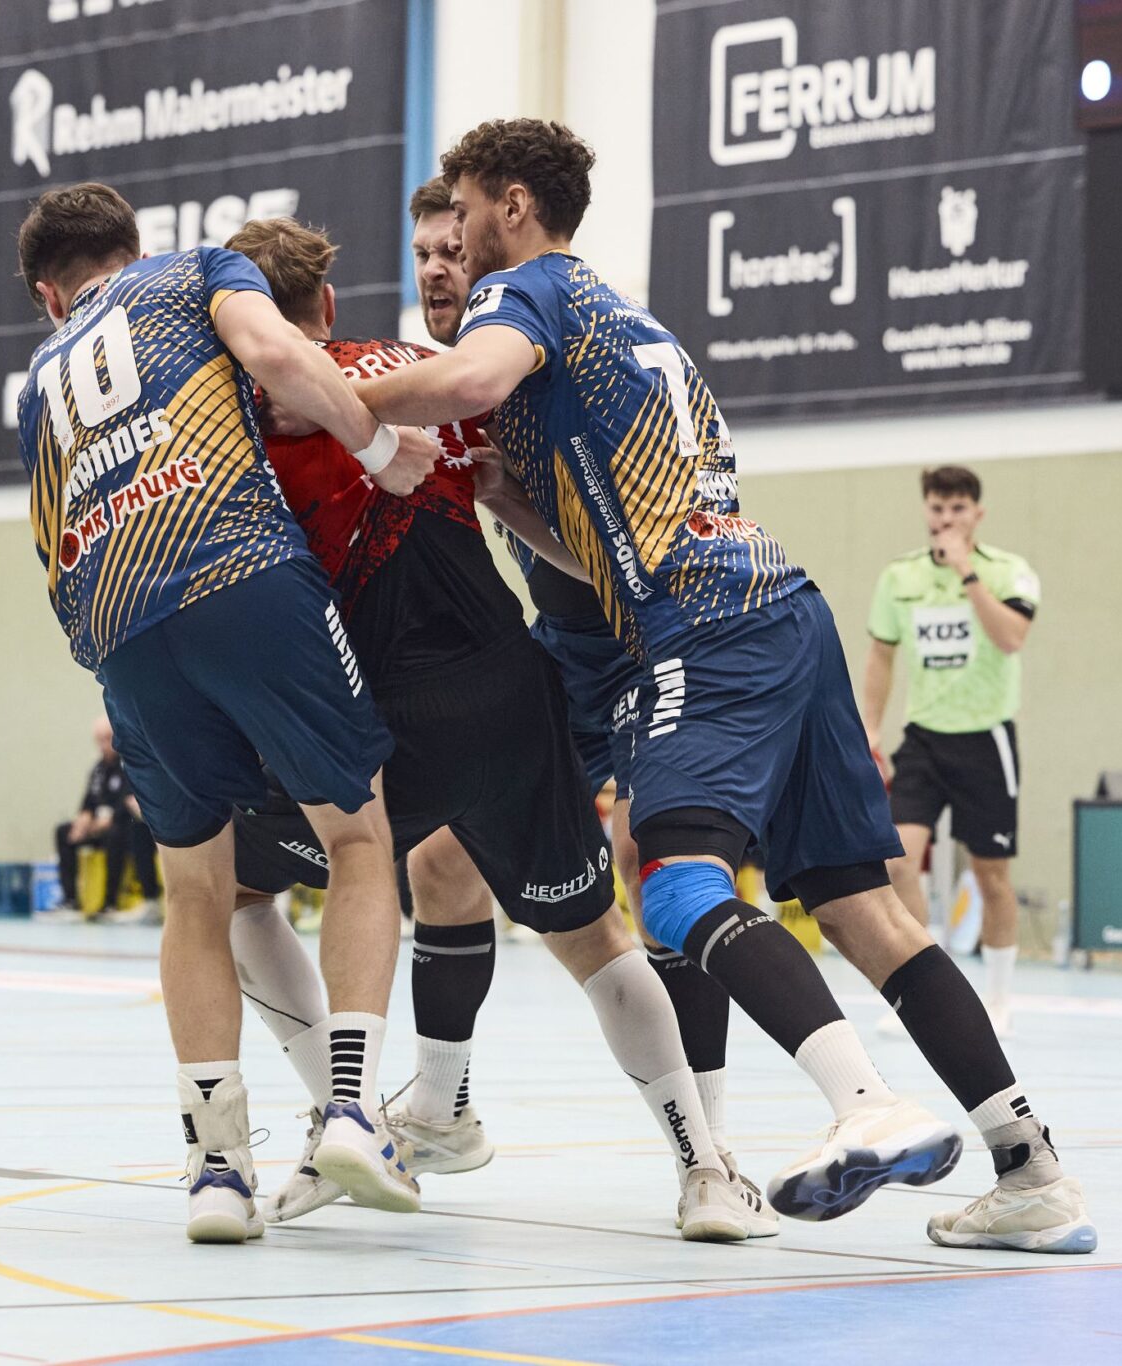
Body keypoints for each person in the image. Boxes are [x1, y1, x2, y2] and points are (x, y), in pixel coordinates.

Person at [350, 119, 1094, 1252]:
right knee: (863, 909)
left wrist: (325, 392)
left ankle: (854, 1105)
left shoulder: (527, 296)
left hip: (695, 628)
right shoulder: (624, 320)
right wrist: (508, 499)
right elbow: (602, 536)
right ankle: (1030, 1168)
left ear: (508, 207)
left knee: (673, 885)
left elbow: (467, 377)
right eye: (429, 245)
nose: (449, 254)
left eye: (462, 224)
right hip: (775, 605)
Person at [219, 214, 771, 1240]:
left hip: (388, 717)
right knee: (590, 935)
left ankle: (347, 1118)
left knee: (235, 893)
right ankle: (707, 1170)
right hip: (515, 695)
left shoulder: (249, 418)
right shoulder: (430, 376)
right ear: (327, 303)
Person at [12, 181, 440, 1243]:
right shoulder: (197, 269)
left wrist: (110, 649)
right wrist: (378, 451)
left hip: (117, 622)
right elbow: (280, 356)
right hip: (237, 567)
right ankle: (351, 1111)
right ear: (131, 246)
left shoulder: (38, 377)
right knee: (356, 837)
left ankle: (215, 1171)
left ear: (47, 294)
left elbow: (48, 537)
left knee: (194, 891)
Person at [413, 174, 741, 1161]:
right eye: (422, 254)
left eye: (453, 248)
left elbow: (635, 527)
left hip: (652, 639)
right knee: (439, 860)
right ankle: (441, 1114)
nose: (437, 268)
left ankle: (710, 1151)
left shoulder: (543, 349)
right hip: (563, 655)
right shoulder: (450, 383)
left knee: (657, 863)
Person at [861, 465, 1039, 1036]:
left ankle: (999, 998)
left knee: (991, 875)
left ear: (977, 514)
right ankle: (925, 993)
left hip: (986, 741)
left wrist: (966, 571)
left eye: (958, 509)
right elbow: (881, 655)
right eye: (937, 508)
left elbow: (1011, 638)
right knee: (896, 862)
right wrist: (871, 727)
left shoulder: (1008, 571)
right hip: (924, 740)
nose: (946, 518)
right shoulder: (900, 577)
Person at [42, 715, 164, 924]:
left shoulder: (130, 764)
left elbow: (129, 803)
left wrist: (104, 823)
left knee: (120, 832)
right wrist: (83, 820)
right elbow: (88, 802)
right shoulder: (98, 769)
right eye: (99, 740)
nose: (103, 745)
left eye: (107, 739)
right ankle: (71, 901)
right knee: (64, 831)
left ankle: (109, 903)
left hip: (121, 829)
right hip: (98, 828)